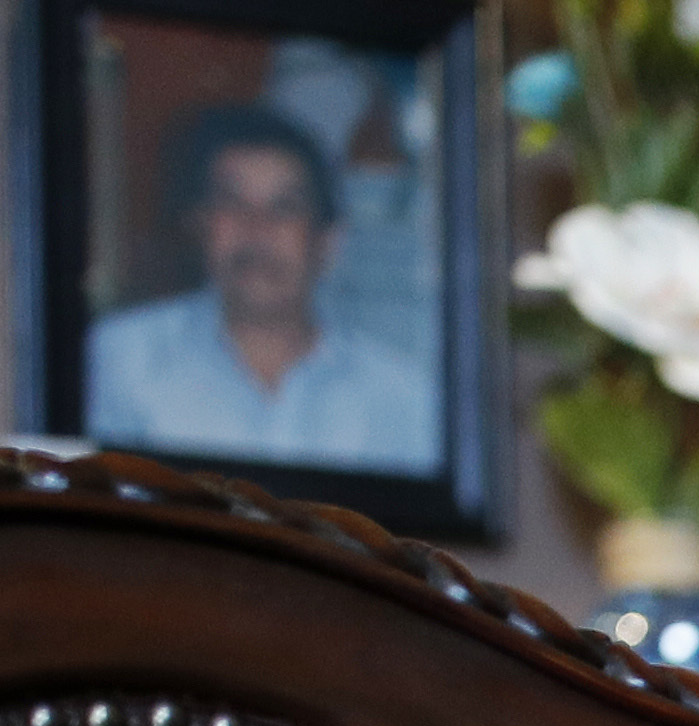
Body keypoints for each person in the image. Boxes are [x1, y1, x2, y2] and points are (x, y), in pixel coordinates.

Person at [81, 99, 440, 475]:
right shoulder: (113, 362)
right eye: (232, 202)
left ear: (326, 241)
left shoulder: (405, 401)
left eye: (284, 207)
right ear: (200, 224)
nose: (256, 228)